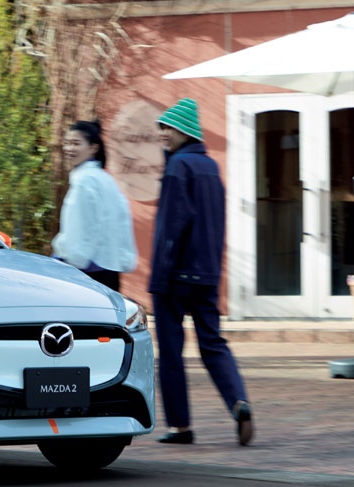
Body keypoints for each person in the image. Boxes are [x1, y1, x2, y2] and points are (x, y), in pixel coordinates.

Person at [149, 98, 253, 446]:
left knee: (171, 353)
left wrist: (159, 277)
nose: (162, 134)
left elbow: (171, 227)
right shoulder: (210, 168)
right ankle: (239, 402)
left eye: (167, 128)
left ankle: (180, 426)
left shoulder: (178, 168)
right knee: (214, 345)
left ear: (183, 130)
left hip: (174, 275)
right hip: (207, 274)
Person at [51, 120, 138, 291]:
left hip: (87, 271)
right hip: (109, 268)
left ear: (93, 148)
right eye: (67, 143)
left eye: (76, 143)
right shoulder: (105, 179)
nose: (69, 148)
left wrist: (74, 259)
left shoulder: (84, 180)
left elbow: (84, 227)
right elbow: (122, 221)